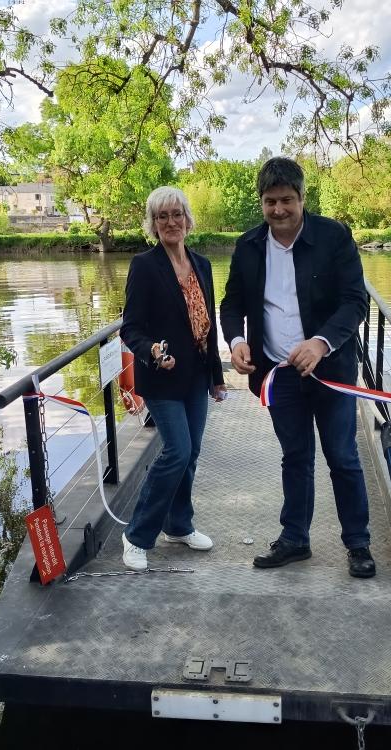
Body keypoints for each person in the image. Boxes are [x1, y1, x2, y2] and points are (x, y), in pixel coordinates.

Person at [219, 157, 375, 578]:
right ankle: (295, 540)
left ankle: (358, 544)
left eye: (287, 200)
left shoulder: (334, 237)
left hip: (332, 372)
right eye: (270, 202)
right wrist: (236, 343)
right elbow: (231, 304)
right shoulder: (248, 246)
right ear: (262, 203)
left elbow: (355, 301)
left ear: (303, 198)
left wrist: (321, 342)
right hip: (277, 374)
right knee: (295, 456)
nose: (279, 210)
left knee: (342, 456)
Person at [119, 186, 227, 571]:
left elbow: (207, 325)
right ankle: (136, 535)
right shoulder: (145, 265)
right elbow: (130, 328)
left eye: (176, 214)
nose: (170, 222)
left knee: (191, 453)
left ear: (187, 219)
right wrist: (150, 351)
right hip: (162, 379)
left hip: (196, 376)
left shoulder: (202, 264)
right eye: (162, 216)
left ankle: (178, 525)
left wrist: (216, 375)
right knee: (176, 451)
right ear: (153, 223)